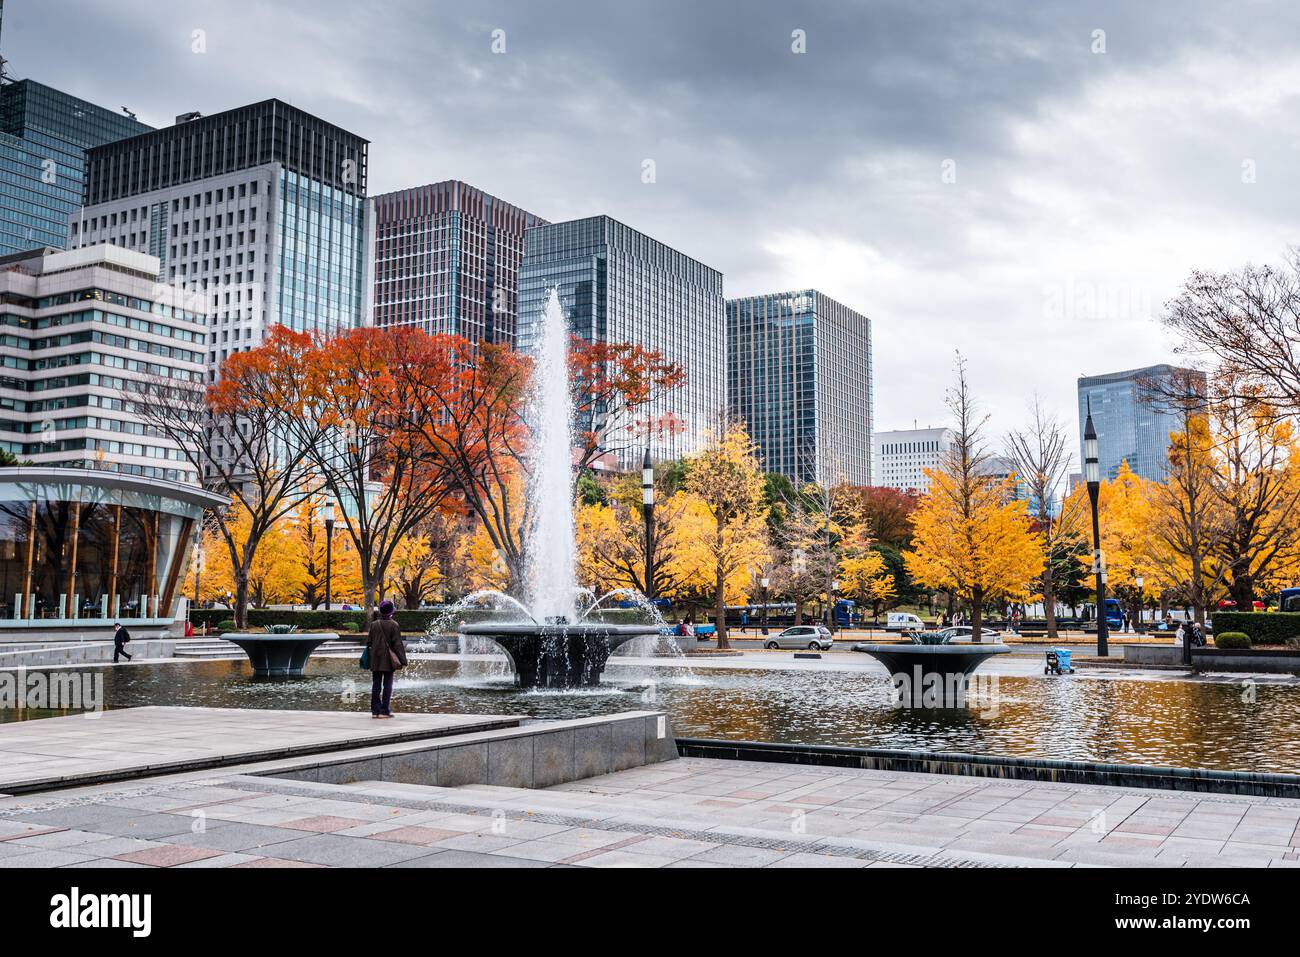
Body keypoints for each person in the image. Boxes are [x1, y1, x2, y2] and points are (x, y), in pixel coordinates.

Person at [365, 600, 406, 718]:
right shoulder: (394, 625)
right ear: (391, 612)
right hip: (388, 660)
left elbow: (369, 642)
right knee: (387, 685)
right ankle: (384, 711)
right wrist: (402, 660)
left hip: (375, 659)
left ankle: (375, 711)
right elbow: (397, 644)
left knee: (376, 685)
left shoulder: (374, 624)